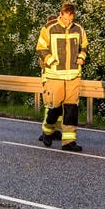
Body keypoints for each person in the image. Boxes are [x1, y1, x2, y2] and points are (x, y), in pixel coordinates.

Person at [36, 3, 88, 152]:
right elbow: (40, 48)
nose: (68, 23)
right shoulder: (49, 28)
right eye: (65, 19)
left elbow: (84, 46)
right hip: (55, 76)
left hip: (73, 76)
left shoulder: (79, 28)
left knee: (72, 109)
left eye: (70, 20)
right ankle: (47, 131)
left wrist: (82, 57)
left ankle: (69, 141)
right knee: (54, 108)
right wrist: (51, 61)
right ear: (61, 14)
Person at [37, 14, 63, 144]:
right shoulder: (46, 43)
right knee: (51, 105)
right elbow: (43, 61)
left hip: (55, 78)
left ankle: (53, 130)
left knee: (56, 106)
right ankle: (48, 131)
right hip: (49, 78)